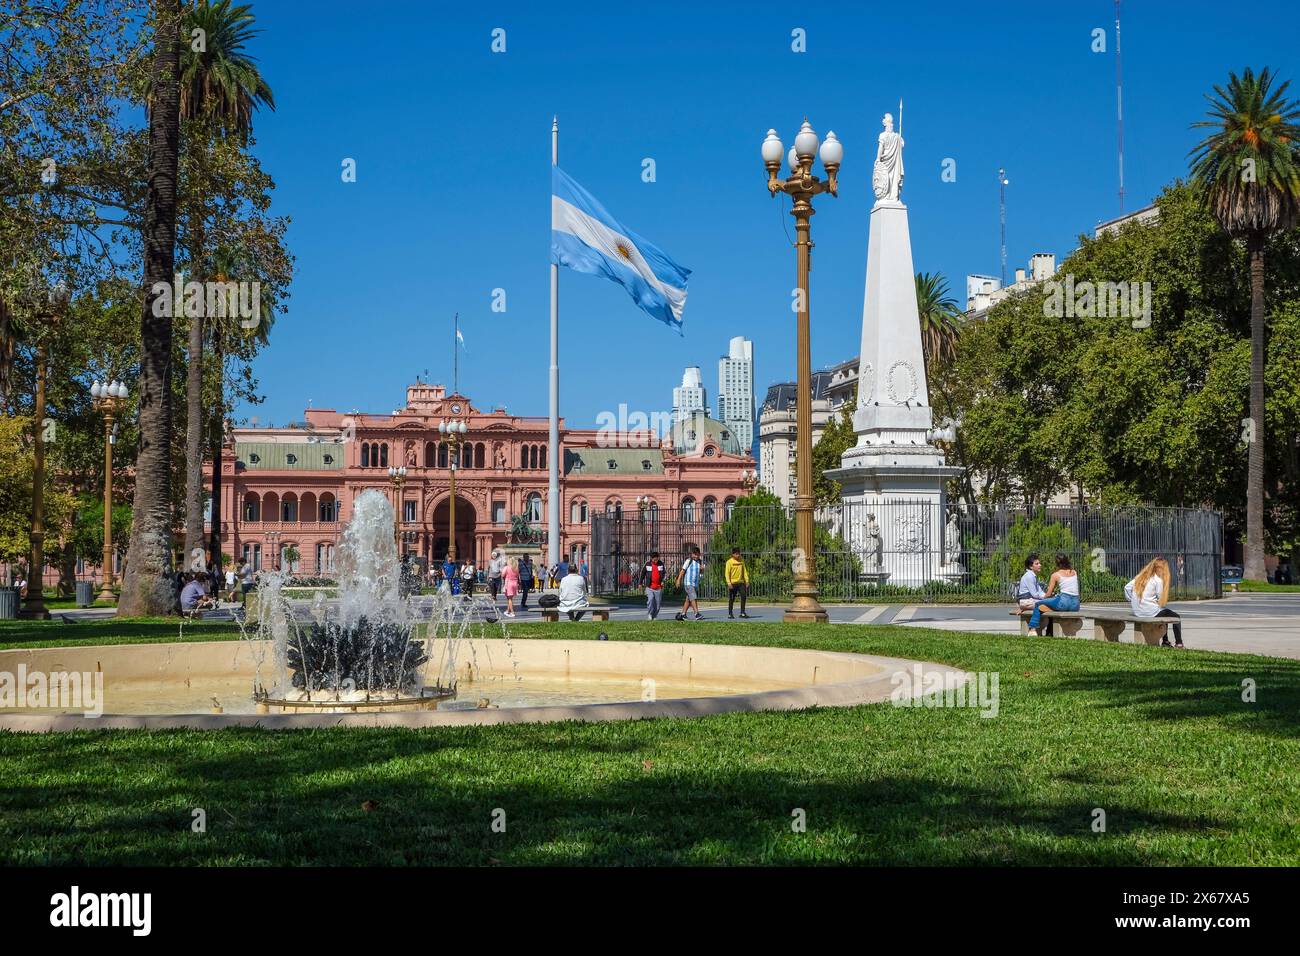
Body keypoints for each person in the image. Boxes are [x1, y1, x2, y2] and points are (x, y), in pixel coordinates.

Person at [1125, 556, 1185, 648]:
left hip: (1137, 612)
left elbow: (1127, 588)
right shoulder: (1157, 580)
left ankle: (1166, 641)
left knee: (1164, 612)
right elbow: (1160, 597)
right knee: (1175, 617)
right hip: (1150, 612)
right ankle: (1178, 643)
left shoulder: (1140, 577)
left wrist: (1132, 600)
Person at [1026, 553, 1080, 636]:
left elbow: (1048, 594)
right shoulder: (1074, 572)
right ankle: (1049, 629)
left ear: (1057, 563)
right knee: (1050, 604)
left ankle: (1032, 629)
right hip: (1075, 605)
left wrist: (1043, 599)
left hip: (1063, 603)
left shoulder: (1055, 575)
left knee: (1038, 604)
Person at [675, 545, 704, 621]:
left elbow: (701, 572)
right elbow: (682, 571)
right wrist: (678, 580)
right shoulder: (688, 561)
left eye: (697, 554)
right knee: (693, 597)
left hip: (695, 584)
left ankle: (683, 614)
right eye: (694, 554)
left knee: (688, 599)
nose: (696, 556)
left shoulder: (700, 562)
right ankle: (696, 613)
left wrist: (702, 569)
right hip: (688, 583)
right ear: (692, 554)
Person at [640, 550, 666, 621]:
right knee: (650, 600)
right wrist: (640, 583)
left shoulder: (661, 564)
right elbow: (642, 573)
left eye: (657, 558)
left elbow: (664, 573)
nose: (655, 560)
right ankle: (650, 614)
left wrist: (663, 581)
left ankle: (655, 616)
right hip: (650, 587)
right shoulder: (647, 564)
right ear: (651, 558)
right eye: (654, 558)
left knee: (657, 604)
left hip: (658, 587)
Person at [725, 547, 751, 619]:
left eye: (739, 553)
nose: (738, 555)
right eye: (736, 554)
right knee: (732, 599)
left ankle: (742, 613)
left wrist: (747, 580)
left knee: (743, 596)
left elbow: (744, 571)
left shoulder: (741, 561)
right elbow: (727, 573)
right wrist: (729, 583)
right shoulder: (729, 562)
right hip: (732, 583)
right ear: (732, 554)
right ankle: (730, 613)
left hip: (741, 582)